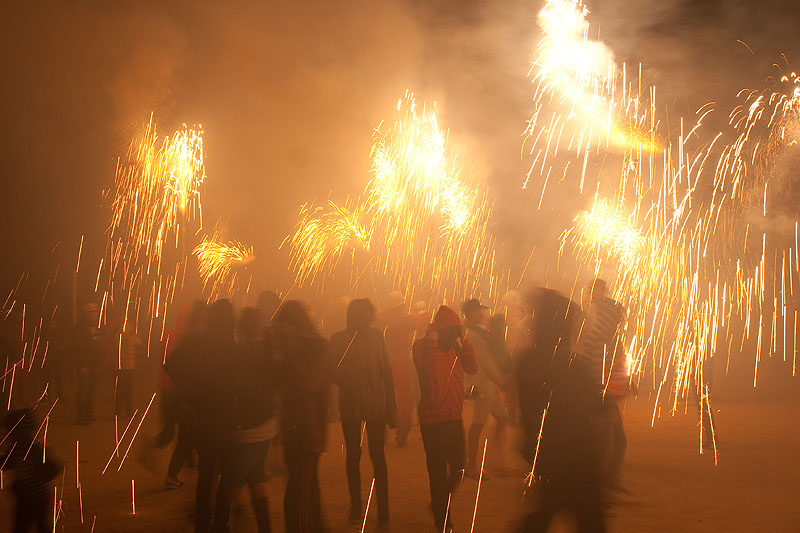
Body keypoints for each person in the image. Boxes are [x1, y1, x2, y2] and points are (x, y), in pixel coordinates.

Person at [516, 288, 605, 533]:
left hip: (547, 456)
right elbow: (592, 402)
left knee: (545, 514)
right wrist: (608, 397)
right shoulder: (569, 363)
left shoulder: (530, 361)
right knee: (587, 519)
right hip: (575, 458)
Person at [165, 300, 237, 533]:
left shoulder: (196, 341)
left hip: (203, 416)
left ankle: (204, 523)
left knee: (206, 472)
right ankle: (221, 523)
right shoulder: (233, 346)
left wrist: (191, 396)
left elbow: (172, 366)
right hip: (227, 418)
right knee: (227, 474)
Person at [331, 298, 397, 527]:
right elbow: (333, 371)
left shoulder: (355, 338)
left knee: (361, 456)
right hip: (367, 404)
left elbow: (386, 371)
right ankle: (374, 510)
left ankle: (363, 508)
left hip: (361, 405)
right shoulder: (348, 338)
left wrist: (391, 406)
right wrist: (391, 407)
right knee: (368, 456)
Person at [212, 308, 278, 533]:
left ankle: (219, 527)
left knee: (228, 484)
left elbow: (231, 390)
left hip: (248, 429)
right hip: (267, 426)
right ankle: (264, 528)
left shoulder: (240, 355)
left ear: (241, 330)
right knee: (256, 478)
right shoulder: (266, 352)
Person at [413, 305, 478, 532]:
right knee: (438, 474)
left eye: (457, 331)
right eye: (451, 331)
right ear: (439, 331)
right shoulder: (421, 347)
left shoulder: (456, 348)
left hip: (453, 417)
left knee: (459, 466)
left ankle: (440, 504)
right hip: (433, 421)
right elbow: (429, 372)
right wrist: (432, 341)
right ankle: (443, 522)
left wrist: (463, 340)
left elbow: (473, 367)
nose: (455, 335)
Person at [272, 300, 331, 533]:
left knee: (297, 501)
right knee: (308, 495)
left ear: (296, 325)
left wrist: (291, 346)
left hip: (309, 435)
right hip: (292, 432)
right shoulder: (287, 350)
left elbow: (310, 383)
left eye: (284, 325)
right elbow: (274, 384)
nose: (280, 330)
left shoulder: (319, 347)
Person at [574, 279, 630, 499]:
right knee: (605, 442)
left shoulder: (605, 332)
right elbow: (592, 362)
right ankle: (599, 489)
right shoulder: (596, 330)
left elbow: (617, 356)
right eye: (619, 318)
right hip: (596, 391)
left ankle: (607, 484)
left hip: (599, 389)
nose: (621, 321)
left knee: (613, 440)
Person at [158, 301, 209, 490]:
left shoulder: (173, 335)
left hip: (170, 391)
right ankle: (172, 473)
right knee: (186, 435)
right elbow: (172, 365)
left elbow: (166, 364)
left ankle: (185, 464)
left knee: (177, 432)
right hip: (180, 394)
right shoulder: (189, 339)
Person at [461, 299, 510, 478]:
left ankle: (495, 461)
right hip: (481, 384)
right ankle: (471, 466)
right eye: (478, 311)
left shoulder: (476, 332)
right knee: (478, 423)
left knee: (502, 418)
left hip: (487, 384)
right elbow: (486, 363)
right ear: (471, 313)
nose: (482, 315)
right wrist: (502, 381)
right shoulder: (473, 335)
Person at [379, 291, 427, 447]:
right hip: (401, 364)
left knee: (382, 398)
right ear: (401, 305)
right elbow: (423, 320)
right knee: (404, 400)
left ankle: (381, 434)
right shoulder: (405, 319)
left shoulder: (380, 318)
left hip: (382, 364)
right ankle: (401, 436)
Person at [1, 408, 61, 533]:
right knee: (27, 526)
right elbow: (6, 463)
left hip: (35, 497)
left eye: (9, 431)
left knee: (32, 526)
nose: (7, 434)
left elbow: (54, 467)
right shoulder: (20, 447)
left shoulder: (30, 449)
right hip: (28, 497)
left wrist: (38, 478)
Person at [73, 303, 103, 425]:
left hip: (94, 364)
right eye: (92, 313)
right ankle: (81, 417)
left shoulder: (95, 327)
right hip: (85, 365)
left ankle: (88, 413)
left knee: (91, 390)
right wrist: (82, 365)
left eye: (96, 313)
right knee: (83, 391)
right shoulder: (79, 328)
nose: (95, 315)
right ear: (86, 315)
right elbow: (79, 348)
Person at [115, 324, 142, 419]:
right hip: (129, 367)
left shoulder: (118, 337)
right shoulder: (131, 338)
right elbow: (139, 342)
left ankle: (117, 412)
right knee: (128, 391)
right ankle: (129, 412)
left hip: (119, 366)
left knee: (119, 391)